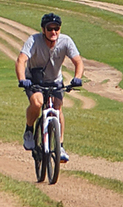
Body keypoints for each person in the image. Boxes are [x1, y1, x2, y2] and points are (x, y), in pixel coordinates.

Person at [16, 12, 84, 163]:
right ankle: (29, 130)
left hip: (54, 81)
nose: (54, 32)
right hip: (34, 80)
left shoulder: (65, 41)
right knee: (37, 102)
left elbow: (78, 61)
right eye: (50, 28)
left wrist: (77, 77)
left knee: (58, 108)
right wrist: (22, 79)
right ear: (43, 29)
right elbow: (21, 60)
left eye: (57, 28)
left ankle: (60, 146)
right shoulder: (33, 40)